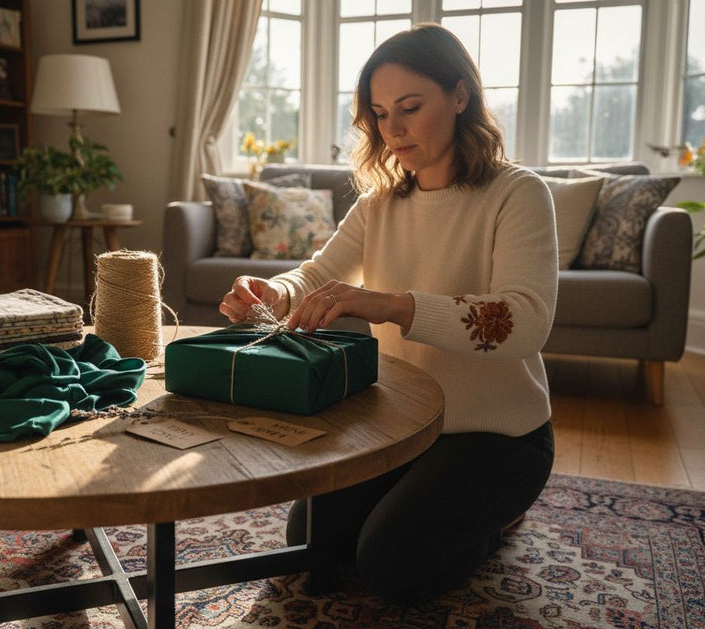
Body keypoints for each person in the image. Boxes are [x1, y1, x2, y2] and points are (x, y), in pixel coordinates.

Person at [218, 24, 557, 603]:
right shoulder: (381, 202)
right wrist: (272, 294)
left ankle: (495, 523)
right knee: (310, 546)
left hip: (500, 437)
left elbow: (521, 322)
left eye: (409, 107)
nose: (392, 129)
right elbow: (317, 276)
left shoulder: (517, 193)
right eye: (379, 113)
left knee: (391, 569)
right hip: (403, 427)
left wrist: (395, 305)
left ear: (459, 96)